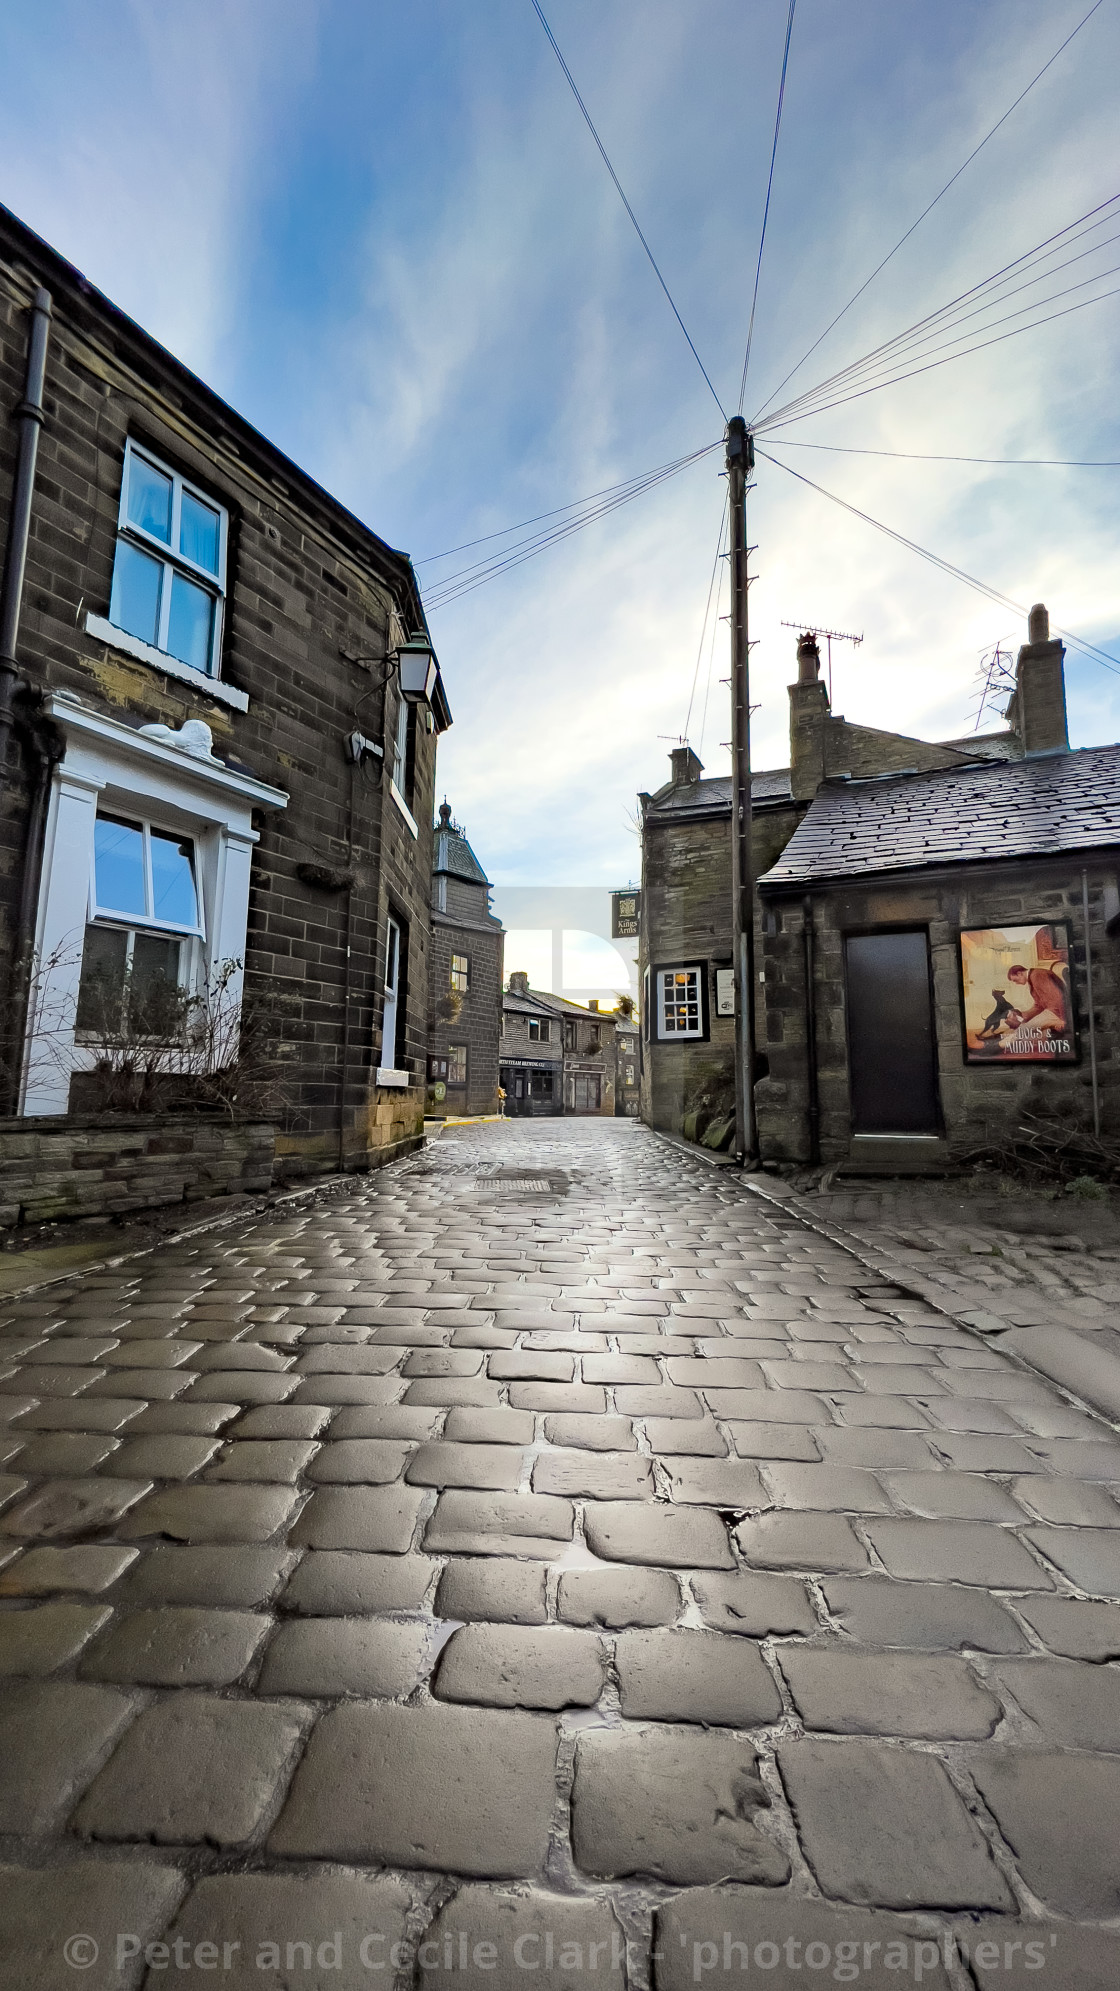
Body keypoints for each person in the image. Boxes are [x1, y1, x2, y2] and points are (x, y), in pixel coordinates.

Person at [1006, 960, 1069, 1033]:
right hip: (1053, 1011)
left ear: (1019, 973)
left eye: (1015, 980)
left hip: (1058, 1012)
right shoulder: (1032, 978)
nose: (1016, 983)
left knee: (1023, 1030)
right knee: (1023, 1028)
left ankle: (1001, 1044)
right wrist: (1023, 1015)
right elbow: (1039, 1005)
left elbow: (1058, 997)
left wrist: (1063, 1020)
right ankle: (1002, 1043)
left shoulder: (1037, 975)